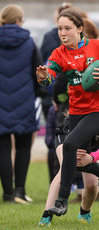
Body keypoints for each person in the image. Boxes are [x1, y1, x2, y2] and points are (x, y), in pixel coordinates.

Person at [36, 7, 99, 219]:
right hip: (76, 111)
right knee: (78, 160)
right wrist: (42, 76)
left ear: (80, 28)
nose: (62, 33)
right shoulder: (58, 53)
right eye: (59, 29)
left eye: (67, 28)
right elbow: (49, 76)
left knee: (69, 144)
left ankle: (61, 201)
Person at [0, 4, 43, 203]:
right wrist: (36, 93)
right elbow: (39, 73)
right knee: (24, 147)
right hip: (25, 99)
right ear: (19, 20)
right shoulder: (29, 41)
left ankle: (7, 194)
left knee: (3, 148)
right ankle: (19, 191)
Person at [38, 116, 99, 226]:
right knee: (64, 170)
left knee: (92, 185)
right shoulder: (74, 117)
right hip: (66, 141)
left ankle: (84, 213)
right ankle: (46, 216)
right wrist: (73, 154)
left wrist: (91, 158)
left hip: (91, 149)